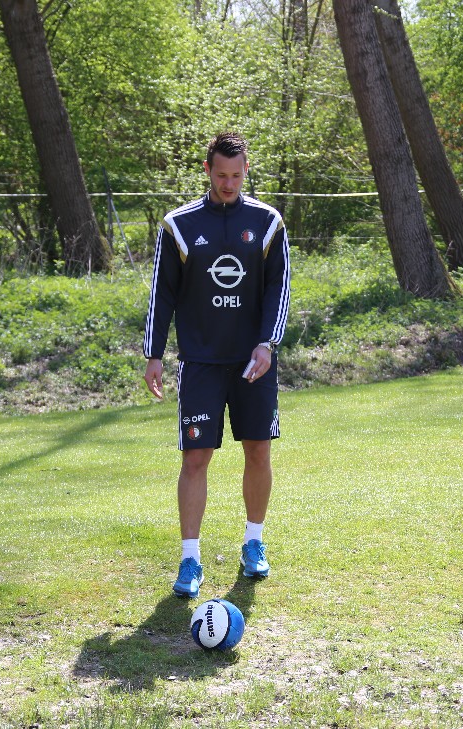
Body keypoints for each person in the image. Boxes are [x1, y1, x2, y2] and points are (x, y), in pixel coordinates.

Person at [143, 132, 291, 598]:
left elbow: (279, 288)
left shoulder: (267, 222)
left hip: (253, 363)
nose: (229, 184)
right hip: (201, 363)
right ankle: (190, 559)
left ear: (247, 171)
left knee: (258, 451)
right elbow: (162, 294)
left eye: (237, 175)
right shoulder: (179, 225)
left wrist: (267, 344)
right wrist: (153, 354)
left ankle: (254, 543)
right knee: (195, 458)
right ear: (207, 170)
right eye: (221, 175)